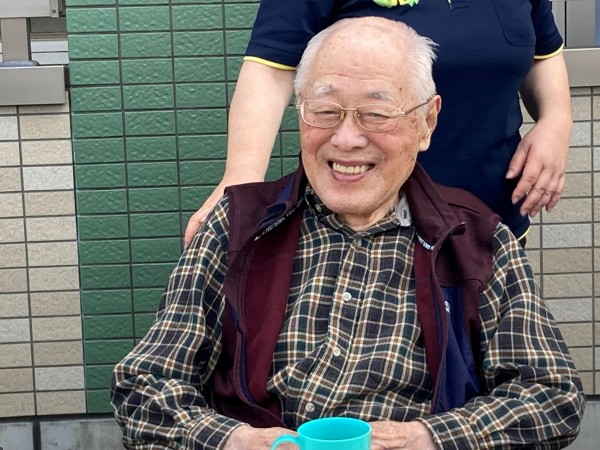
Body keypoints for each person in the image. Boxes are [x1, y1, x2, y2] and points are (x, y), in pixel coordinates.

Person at [112, 18, 584, 450]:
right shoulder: (238, 226)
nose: (346, 139)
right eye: (325, 110)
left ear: (427, 122)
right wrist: (233, 440)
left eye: (376, 114)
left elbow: (552, 395)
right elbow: (144, 385)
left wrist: (426, 438)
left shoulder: (476, 240)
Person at [183, 0, 572, 248]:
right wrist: (241, 182)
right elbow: (271, 70)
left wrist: (556, 120)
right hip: (365, 226)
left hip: (491, 217)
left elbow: (543, 50)